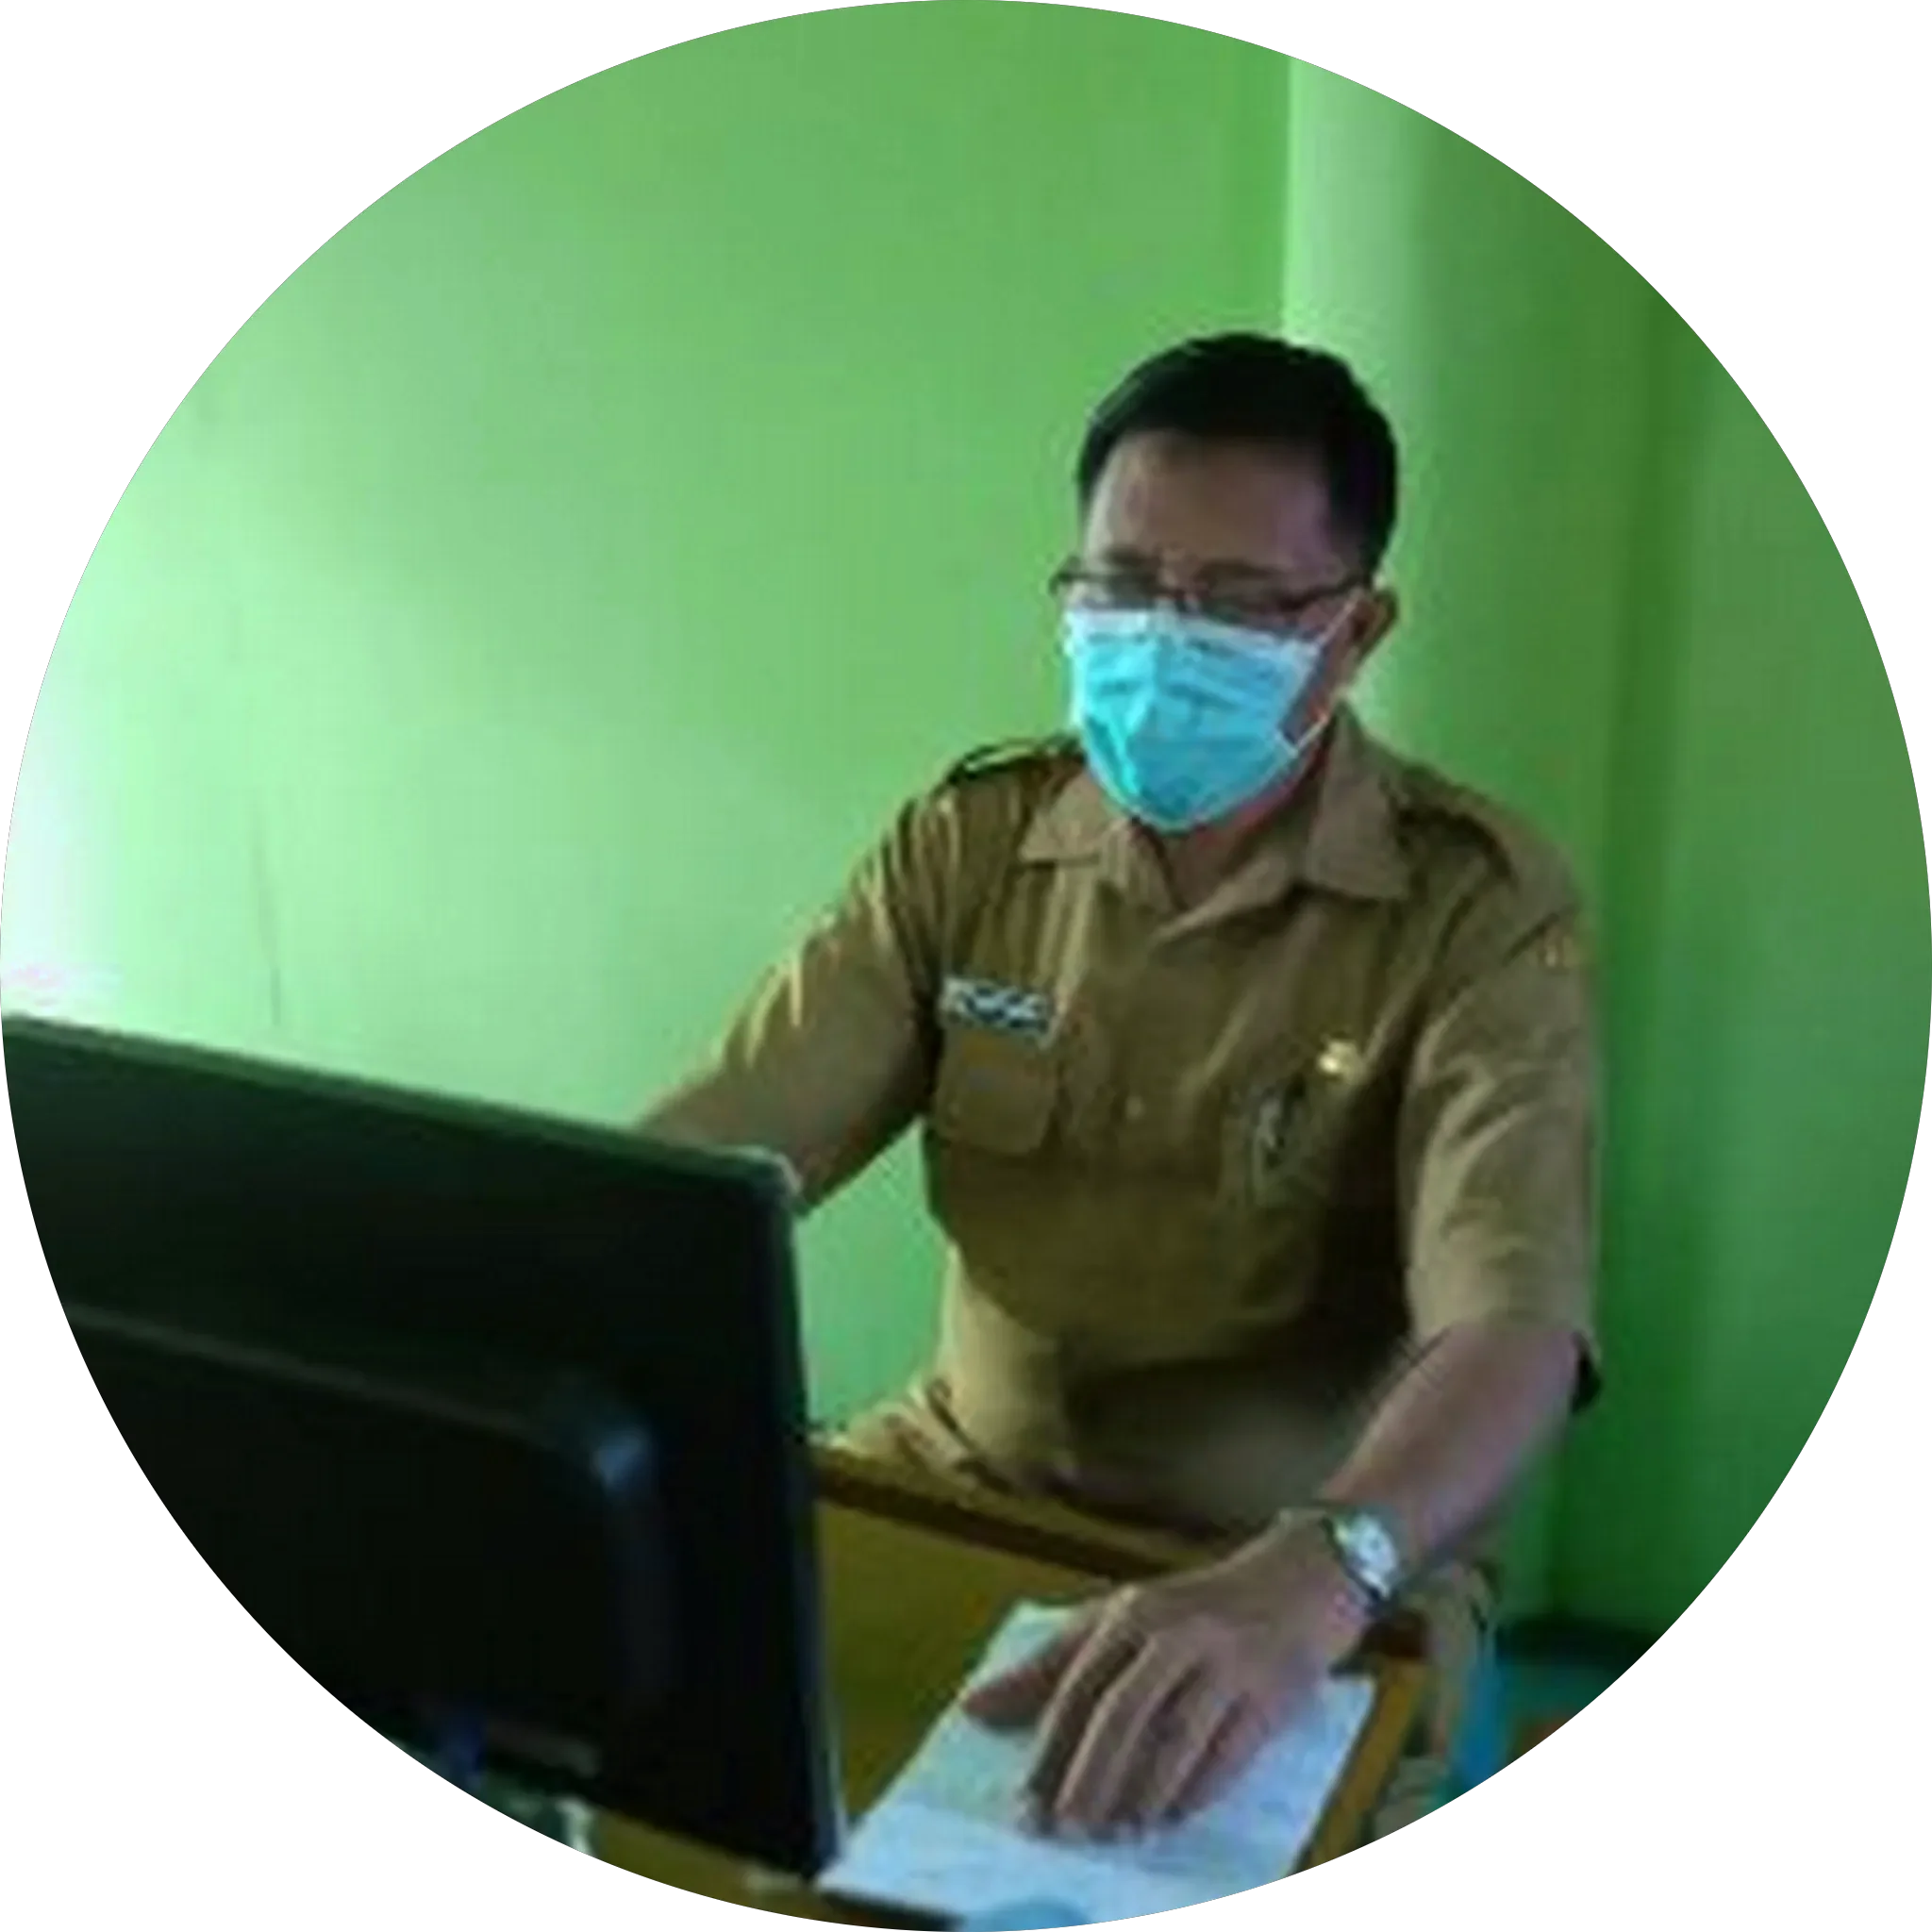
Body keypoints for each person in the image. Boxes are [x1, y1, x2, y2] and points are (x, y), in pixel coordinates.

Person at [638, 334, 1602, 1855]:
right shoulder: (971, 843)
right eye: (1125, 583)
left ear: (1356, 631)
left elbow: (1515, 1328)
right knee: (679, 1769)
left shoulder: (1474, 907)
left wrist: (1324, 1569)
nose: (1164, 637)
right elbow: (701, 1174)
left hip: (1310, 1557)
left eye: (1238, 602)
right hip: (959, 1477)